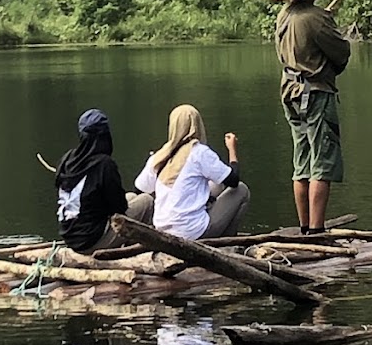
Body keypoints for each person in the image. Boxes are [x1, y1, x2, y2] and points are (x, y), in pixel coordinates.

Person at [266, 0, 351, 237]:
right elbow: (340, 53)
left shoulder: (284, 16)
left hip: (290, 92)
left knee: (301, 158)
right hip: (315, 93)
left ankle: (305, 227)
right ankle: (316, 230)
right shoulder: (316, 18)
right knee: (321, 160)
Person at [134, 104, 250, 240]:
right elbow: (234, 180)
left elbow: (139, 189)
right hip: (191, 233)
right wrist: (232, 150)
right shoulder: (199, 152)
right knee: (242, 190)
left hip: (162, 231)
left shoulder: (160, 155)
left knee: (217, 184)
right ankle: (226, 241)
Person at [54, 108, 154, 253]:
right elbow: (119, 207)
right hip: (91, 240)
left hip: (70, 237)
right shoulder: (104, 164)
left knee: (131, 196)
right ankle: (136, 251)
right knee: (146, 201)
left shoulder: (67, 160)